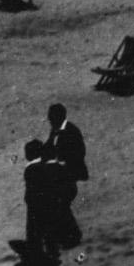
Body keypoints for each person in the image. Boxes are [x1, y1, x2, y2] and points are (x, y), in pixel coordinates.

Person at [42, 104, 88, 249]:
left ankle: (71, 236)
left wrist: (63, 163)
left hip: (68, 176)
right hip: (59, 176)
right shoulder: (56, 130)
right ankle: (69, 235)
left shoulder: (71, 131)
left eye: (51, 117)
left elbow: (79, 152)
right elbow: (49, 147)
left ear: (58, 117)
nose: (49, 120)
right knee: (60, 205)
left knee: (60, 204)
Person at [18, 139, 60, 266]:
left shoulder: (30, 169)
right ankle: (53, 256)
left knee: (34, 234)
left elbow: (30, 191)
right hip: (48, 205)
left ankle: (37, 261)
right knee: (49, 233)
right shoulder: (44, 167)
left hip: (35, 207)